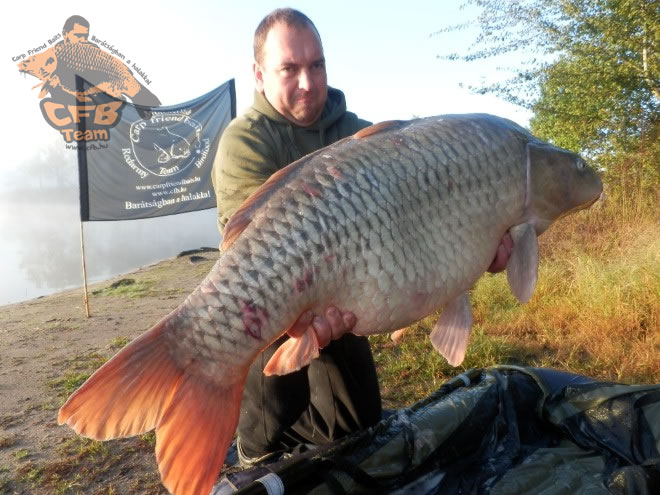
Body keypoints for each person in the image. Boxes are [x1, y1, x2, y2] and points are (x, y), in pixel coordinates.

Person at [212, 7, 513, 466]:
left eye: (317, 65)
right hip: (270, 302)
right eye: (289, 69)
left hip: (347, 299)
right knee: (268, 371)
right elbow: (253, 254)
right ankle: (256, 445)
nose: (309, 82)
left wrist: (476, 235)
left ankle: (311, 432)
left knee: (358, 427)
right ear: (259, 75)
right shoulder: (244, 141)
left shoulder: (359, 134)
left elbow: (422, 210)